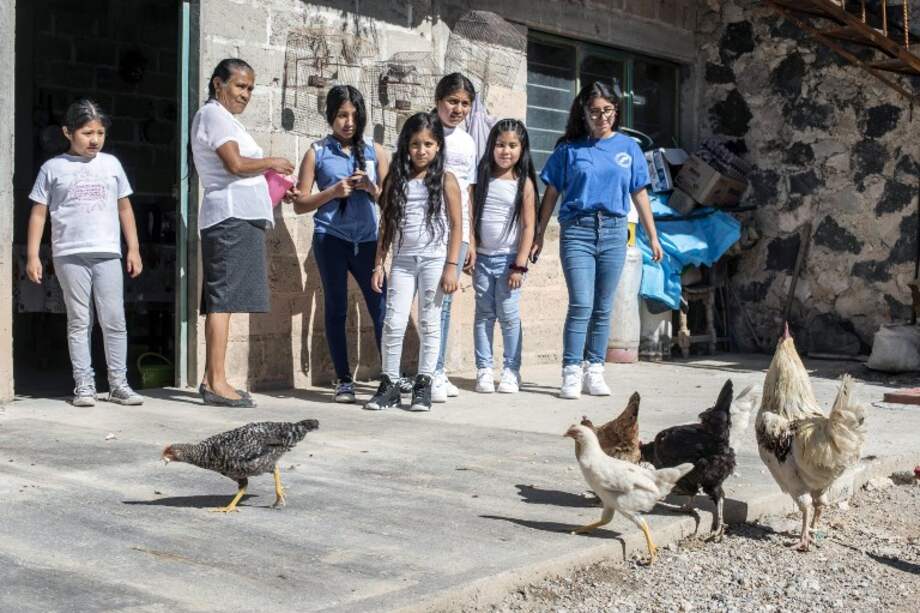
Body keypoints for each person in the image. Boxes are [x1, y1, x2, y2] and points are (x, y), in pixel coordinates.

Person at [531, 81, 663, 400]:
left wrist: (653, 237)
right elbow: (551, 194)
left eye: (608, 110)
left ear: (615, 112)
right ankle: (571, 371)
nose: (602, 117)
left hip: (615, 230)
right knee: (581, 304)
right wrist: (538, 233)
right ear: (584, 113)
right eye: (595, 111)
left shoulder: (629, 148)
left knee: (604, 307)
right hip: (577, 230)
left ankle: (595, 370)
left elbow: (640, 194)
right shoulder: (569, 149)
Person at [26, 99, 144, 406]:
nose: (94, 140)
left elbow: (124, 208)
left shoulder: (111, 165)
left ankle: (118, 384)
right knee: (80, 320)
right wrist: (33, 255)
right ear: (67, 132)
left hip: (107, 253)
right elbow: (39, 213)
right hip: (69, 254)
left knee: (114, 319)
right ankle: (85, 385)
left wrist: (133, 248)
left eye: (100, 133)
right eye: (87, 132)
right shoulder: (53, 169)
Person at [191, 58, 295, 408]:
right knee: (222, 301)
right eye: (239, 86)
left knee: (228, 300)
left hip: (240, 216)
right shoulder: (213, 115)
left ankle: (213, 378)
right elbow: (234, 165)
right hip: (229, 217)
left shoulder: (226, 120)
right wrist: (272, 162)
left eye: (250, 88)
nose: (245, 94)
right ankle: (217, 383)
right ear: (219, 84)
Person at [291, 85, 389, 403]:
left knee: (381, 308)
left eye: (354, 116)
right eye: (341, 115)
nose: (348, 122)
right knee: (336, 308)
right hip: (331, 237)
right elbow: (301, 203)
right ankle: (343, 380)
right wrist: (333, 192)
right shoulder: (316, 151)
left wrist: (372, 187)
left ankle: (390, 378)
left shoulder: (375, 150)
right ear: (330, 116)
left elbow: (390, 201)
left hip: (369, 239)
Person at [364, 112, 462, 412]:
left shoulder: (446, 180)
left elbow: (458, 225)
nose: (421, 150)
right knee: (393, 322)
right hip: (403, 261)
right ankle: (390, 382)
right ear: (406, 145)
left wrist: (450, 266)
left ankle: (424, 383)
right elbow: (387, 225)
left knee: (430, 323)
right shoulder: (396, 178)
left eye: (428, 144)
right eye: (416, 144)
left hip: (434, 261)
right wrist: (379, 263)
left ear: (438, 147)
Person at [471, 119, 537, 394]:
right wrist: (471, 250)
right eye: (500, 144)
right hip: (483, 260)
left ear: (522, 149)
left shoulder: (525, 184)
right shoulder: (481, 177)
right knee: (484, 315)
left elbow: (529, 226)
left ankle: (511, 370)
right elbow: (471, 215)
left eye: (512, 145)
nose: (505, 151)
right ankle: (484, 369)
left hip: (509, 261)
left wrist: (519, 265)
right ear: (491, 146)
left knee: (509, 317)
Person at [429, 73, 478, 403]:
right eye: (453, 101)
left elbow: (468, 190)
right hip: (430, 226)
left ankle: (437, 370)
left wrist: (470, 236)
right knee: (429, 303)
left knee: (446, 302)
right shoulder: (425, 131)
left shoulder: (468, 141)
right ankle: (427, 371)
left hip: (457, 231)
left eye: (465, 103)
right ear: (438, 101)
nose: (458, 109)